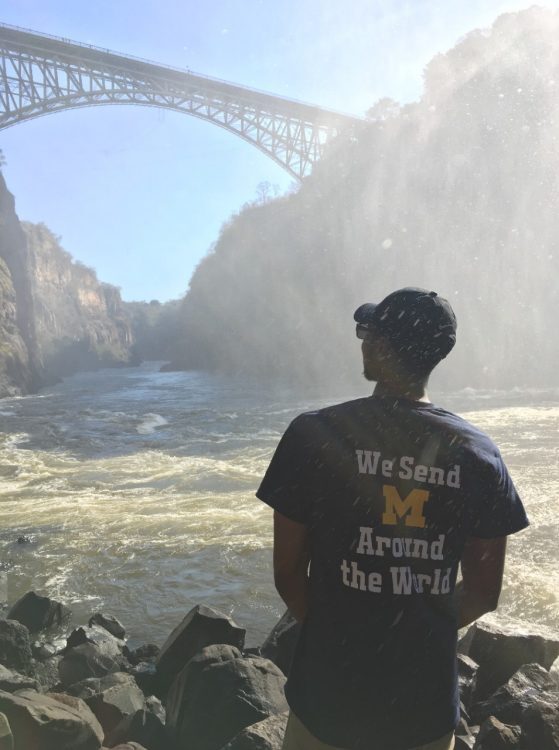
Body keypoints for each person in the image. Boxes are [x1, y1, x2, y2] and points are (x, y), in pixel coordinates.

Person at [256, 287, 529, 750]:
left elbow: (287, 574)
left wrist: (341, 635)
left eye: (367, 332)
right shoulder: (479, 455)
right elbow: (484, 592)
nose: (361, 342)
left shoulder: (314, 435)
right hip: (422, 704)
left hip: (328, 695)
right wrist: (421, 631)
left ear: (381, 347)